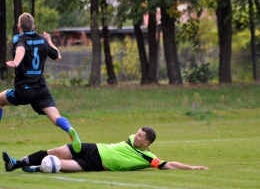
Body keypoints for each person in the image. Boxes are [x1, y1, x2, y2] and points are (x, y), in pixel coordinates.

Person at [0, 12, 81, 153]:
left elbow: (21, 49)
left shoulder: (18, 38)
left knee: (0, 101)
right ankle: (69, 129)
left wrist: (16, 62)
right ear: (33, 26)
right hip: (41, 90)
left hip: (24, 90)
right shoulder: (42, 41)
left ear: (19, 27)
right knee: (56, 117)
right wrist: (49, 40)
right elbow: (58, 57)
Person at [2, 126, 208, 173]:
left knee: (56, 166)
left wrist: (191, 168)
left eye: (140, 136)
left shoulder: (148, 158)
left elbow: (167, 164)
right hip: (94, 148)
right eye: (137, 133)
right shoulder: (129, 140)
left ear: (147, 143)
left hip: (94, 164)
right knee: (53, 152)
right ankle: (16, 163)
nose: (136, 136)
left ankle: (34, 168)